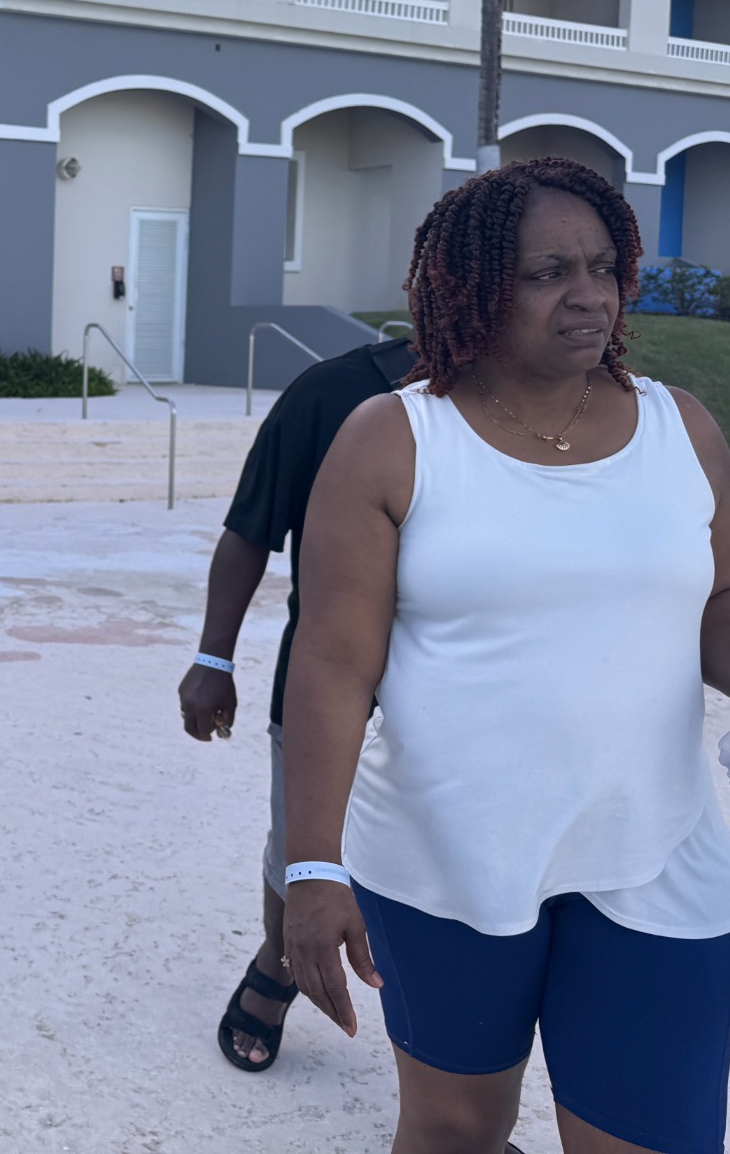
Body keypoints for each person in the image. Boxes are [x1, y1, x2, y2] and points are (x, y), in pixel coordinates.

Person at [281, 157, 730, 1154]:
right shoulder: (394, 440)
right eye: (546, 273)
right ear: (470, 288)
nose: (588, 295)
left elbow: (714, 601)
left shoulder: (682, 429)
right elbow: (333, 665)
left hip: (653, 853)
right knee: (456, 1128)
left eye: (603, 268)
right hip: (443, 856)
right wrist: (312, 867)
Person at [177, 330, 413, 1071]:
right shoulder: (331, 393)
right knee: (302, 847)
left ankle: (449, 1045)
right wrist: (212, 658)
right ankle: (278, 965)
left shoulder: (534, 403)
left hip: (459, 694)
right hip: (323, 677)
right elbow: (250, 530)